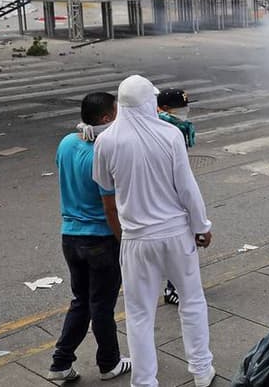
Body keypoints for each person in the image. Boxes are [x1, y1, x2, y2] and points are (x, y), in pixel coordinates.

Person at [93, 75, 215, 387]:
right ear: (149, 102)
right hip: (176, 234)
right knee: (192, 301)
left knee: (139, 314)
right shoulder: (170, 134)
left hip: (136, 239)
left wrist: (126, 240)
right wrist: (201, 227)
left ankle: (144, 380)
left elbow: (108, 199)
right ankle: (201, 371)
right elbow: (187, 188)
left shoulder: (106, 142)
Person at [47, 93, 132, 383]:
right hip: (101, 239)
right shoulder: (104, 152)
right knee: (101, 306)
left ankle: (60, 363)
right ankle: (109, 362)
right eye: (118, 114)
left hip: (70, 237)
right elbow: (110, 206)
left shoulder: (66, 143)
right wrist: (123, 240)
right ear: (107, 119)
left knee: (81, 301)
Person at [156, 88, 196, 305]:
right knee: (177, 245)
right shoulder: (166, 131)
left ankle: (177, 285)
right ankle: (173, 289)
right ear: (164, 109)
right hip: (168, 196)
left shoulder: (180, 128)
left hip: (175, 192)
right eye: (180, 108)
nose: (185, 111)